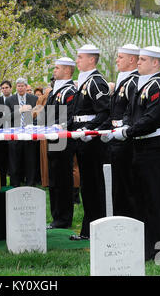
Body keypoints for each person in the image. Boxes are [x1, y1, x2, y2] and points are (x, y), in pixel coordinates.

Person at [112, 46, 160, 261]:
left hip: (155, 148)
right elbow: (130, 112)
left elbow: (153, 117)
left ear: (155, 63)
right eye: (138, 59)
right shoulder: (142, 84)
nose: (138, 62)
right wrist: (126, 127)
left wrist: (128, 130)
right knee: (139, 201)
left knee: (154, 203)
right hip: (139, 147)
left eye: (143, 59)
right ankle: (144, 248)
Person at [70, 44, 110, 240]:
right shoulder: (86, 81)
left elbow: (104, 111)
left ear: (91, 60)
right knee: (87, 186)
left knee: (93, 185)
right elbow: (78, 114)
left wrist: (89, 129)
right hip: (82, 138)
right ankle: (88, 229)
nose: (76, 61)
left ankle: (94, 229)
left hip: (92, 141)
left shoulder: (96, 82)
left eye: (80, 57)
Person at [100, 44, 140, 219]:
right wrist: (98, 130)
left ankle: (127, 218)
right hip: (115, 138)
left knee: (126, 183)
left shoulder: (134, 81)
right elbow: (113, 111)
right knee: (117, 183)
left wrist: (121, 127)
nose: (116, 60)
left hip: (126, 139)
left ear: (132, 59)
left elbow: (130, 112)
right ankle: (119, 216)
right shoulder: (124, 80)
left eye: (120, 57)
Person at [45, 57, 77, 230]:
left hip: (63, 140)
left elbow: (71, 116)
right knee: (54, 179)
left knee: (63, 179)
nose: (54, 71)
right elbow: (47, 114)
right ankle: (56, 216)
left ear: (67, 71)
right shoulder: (55, 91)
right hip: (52, 138)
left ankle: (63, 218)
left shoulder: (70, 91)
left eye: (57, 68)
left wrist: (59, 126)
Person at [5, 78, 38, 187]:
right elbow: (7, 117)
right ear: (16, 87)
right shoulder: (10, 100)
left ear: (26, 86)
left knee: (30, 162)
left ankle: (30, 184)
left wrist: (33, 124)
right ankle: (15, 185)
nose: (20, 88)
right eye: (18, 86)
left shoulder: (34, 99)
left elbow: (39, 115)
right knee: (15, 163)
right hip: (16, 135)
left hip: (29, 135)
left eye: (22, 86)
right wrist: (20, 110)